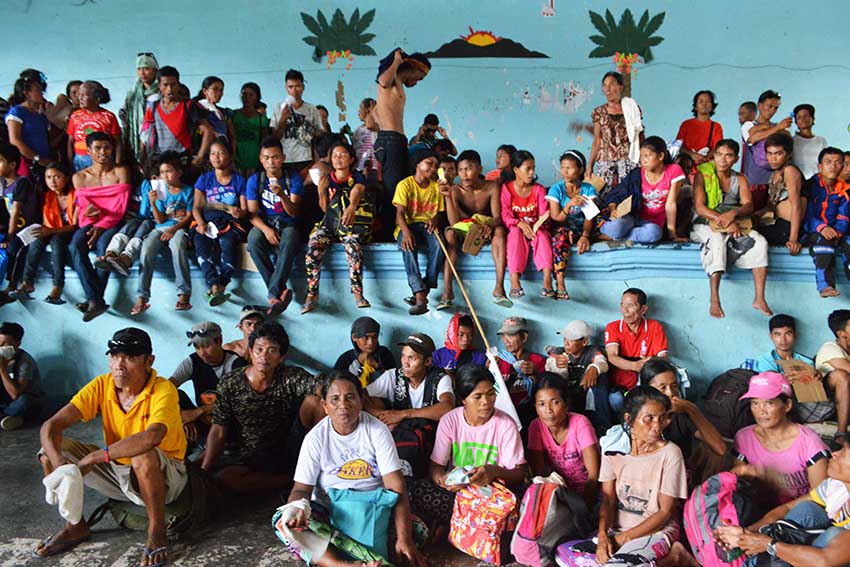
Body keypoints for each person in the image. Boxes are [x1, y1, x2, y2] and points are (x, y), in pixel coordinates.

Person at [34, 328, 186, 567]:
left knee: (142, 454)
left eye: (130, 357)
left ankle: (157, 531)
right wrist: (60, 463)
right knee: (48, 452)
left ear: (149, 361)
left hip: (165, 476)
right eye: (114, 356)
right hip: (117, 470)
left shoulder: (162, 389)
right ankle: (75, 525)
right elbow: (51, 426)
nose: (120, 365)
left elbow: (151, 438)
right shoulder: (102, 385)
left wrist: (95, 457)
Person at [282, 371, 426, 567]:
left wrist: (405, 539)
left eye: (350, 397)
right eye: (335, 399)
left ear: (361, 400)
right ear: (324, 405)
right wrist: (299, 508)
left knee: (417, 530)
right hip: (330, 513)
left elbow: (396, 486)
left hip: (373, 510)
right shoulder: (315, 439)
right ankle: (342, 565)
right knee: (283, 522)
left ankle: (341, 553)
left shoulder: (377, 431)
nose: (343, 405)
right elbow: (301, 489)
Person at [560, 386, 689, 567]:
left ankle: (675, 558)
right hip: (616, 529)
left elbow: (664, 512)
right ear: (629, 419)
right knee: (568, 556)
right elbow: (608, 499)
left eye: (662, 419)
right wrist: (604, 535)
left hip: (655, 531)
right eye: (649, 419)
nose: (657, 426)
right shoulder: (613, 448)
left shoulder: (670, 454)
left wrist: (622, 539)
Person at [202, 322, 320, 493]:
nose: (264, 356)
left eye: (272, 350)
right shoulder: (230, 383)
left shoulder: (291, 376)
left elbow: (324, 388)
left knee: (317, 402)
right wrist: (205, 470)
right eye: (259, 349)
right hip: (249, 456)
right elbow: (219, 429)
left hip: (289, 449)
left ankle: (316, 471)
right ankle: (291, 481)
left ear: (281, 357)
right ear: (250, 352)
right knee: (227, 479)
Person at [715, 438, 850, 565]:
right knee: (807, 510)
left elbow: (824, 561)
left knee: (833, 535)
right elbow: (788, 508)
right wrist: (748, 533)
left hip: (827, 559)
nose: (835, 454)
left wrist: (768, 544)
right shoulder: (836, 486)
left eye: (843, 453)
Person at [424, 364, 528, 524]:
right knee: (420, 492)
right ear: (463, 399)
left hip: (493, 494)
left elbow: (519, 474)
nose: (486, 402)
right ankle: (466, 523)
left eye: (491, 394)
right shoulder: (450, 421)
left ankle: (457, 524)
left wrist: (493, 472)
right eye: (477, 396)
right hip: (459, 492)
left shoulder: (506, 424)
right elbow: (436, 466)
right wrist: (443, 481)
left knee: (523, 499)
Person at [691, 138, 771, 318]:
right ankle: (714, 298)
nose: (723, 159)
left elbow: (748, 205)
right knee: (717, 241)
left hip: (733, 220)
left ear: (736, 158)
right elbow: (700, 207)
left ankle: (759, 298)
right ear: (713, 156)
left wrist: (732, 215)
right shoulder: (703, 175)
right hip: (705, 221)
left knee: (760, 242)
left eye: (728, 156)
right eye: (719, 154)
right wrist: (724, 221)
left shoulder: (740, 178)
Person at [733, 372, 829, 505]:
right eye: (755, 403)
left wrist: (778, 514)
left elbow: (820, 496)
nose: (761, 411)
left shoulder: (809, 442)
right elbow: (735, 484)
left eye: (769, 403)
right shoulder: (744, 437)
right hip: (758, 505)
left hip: (799, 511)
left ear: (787, 405)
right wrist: (744, 472)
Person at [303, 140, 373, 313]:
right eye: (335, 155)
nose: (338, 158)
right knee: (313, 246)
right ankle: (312, 293)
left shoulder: (356, 176)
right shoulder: (326, 179)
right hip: (331, 224)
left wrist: (351, 206)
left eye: (343, 155)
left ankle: (357, 293)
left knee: (352, 246)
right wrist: (321, 191)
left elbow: (357, 190)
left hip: (351, 224)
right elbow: (326, 209)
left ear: (351, 159)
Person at [69, 132, 131, 321]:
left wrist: (102, 226)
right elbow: (86, 210)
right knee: (75, 246)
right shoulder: (79, 177)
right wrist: (93, 221)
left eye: (107, 147)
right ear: (88, 151)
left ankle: (93, 300)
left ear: (112, 149)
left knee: (104, 246)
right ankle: (96, 299)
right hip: (90, 224)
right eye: (97, 148)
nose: (103, 152)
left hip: (115, 221)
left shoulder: (121, 172)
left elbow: (120, 206)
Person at [374, 48, 431, 240]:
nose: (417, 82)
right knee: (393, 190)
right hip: (390, 140)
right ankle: (387, 236)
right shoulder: (389, 80)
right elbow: (381, 82)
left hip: (396, 141)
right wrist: (397, 60)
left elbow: (373, 115)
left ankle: (399, 229)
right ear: (413, 68)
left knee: (401, 188)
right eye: (419, 77)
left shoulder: (398, 84)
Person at [441, 149, 510, 307]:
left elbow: (498, 217)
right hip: (465, 229)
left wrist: (488, 225)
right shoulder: (455, 190)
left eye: (469, 168)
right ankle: (447, 291)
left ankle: (499, 288)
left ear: (479, 169)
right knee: (450, 234)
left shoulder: (491, 187)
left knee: (500, 232)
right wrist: (447, 198)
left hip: (487, 229)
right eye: (461, 170)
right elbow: (454, 222)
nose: (464, 174)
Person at [131, 151, 194, 313]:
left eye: (169, 171)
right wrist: (153, 202)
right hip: (160, 228)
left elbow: (188, 217)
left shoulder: (188, 191)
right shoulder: (160, 191)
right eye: (162, 172)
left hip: (179, 228)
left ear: (179, 172)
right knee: (146, 249)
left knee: (178, 246)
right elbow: (159, 220)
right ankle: (142, 297)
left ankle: (184, 294)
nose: (165, 176)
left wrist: (174, 229)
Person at [246, 137, 302, 314]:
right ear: (261, 159)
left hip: (287, 223)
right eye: (267, 158)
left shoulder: (293, 178)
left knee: (291, 238)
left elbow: (294, 212)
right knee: (253, 240)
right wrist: (266, 230)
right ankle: (279, 290)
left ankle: (273, 294)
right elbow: (252, 214)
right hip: (264, 223)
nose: (271, 162)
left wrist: (282, 196)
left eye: (275, 157)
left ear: (283, 158)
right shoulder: (255, 180)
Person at [171, 322, 247, 445]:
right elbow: (165, 389)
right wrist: (184, 418)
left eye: (206, 346)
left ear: (219, 340)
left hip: (229, 427)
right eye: (197, 347)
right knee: (175, 395)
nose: (202, 353)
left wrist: (198, 412)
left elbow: (238, 402)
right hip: (204, 422)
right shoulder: (192, 362)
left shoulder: (237, 365)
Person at [192, 137, 247, 306]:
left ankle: (220, 284)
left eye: (221, 153)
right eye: (213, 154)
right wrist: (200, 223)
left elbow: (244, 211)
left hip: (230, 225)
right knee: (201, 248)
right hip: (207, 224)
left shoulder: (239, 181)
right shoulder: (204, 179)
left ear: (230, 156)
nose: (216, 157)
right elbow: (196, 207)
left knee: (228, 246)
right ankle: (214, 284)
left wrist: (238, 212)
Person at [528, 372, 600, 500]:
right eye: (541, 404)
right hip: (557, 494)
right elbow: (539, 474)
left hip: (587, 493)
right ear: (535, 407)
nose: (548, 410)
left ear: (566, 404)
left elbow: (593, 477)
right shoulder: (536, 427)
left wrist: (580, 509)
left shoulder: (580, 423)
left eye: (555, 402)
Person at [639, 357, 726, 462]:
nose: (670, 393)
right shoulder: (639, 417)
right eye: (662, 387)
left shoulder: (680, 414)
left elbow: (720, 449)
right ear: (647, 390)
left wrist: (692, 410)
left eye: (674, 386)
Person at [602, 136, 686, 243]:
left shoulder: (673, 170)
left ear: (661, 156)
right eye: (641, 156)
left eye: (647, 156)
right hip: (632, 219)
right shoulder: (637, 174)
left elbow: (670, 204)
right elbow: (617, 194)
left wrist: (672, 235)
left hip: (651, 225)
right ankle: (615, 233)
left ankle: (616, 236)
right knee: (615, 227)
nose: (643, 160)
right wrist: (613, 209)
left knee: (654, 233)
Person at [394, 148, 446, 315]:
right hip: (407, 226)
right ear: (417, 164)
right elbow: (400, 213)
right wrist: (406, 232)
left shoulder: (437, 187)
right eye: (428, 163)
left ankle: (422, 291)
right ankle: (419, 293)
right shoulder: (405, 185)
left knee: (439, 244)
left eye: (435, 165)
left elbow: (439, 212)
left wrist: (435, 219)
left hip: (427, 226)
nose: (432, 168)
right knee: (407, 246)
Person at [17, 162, 76, 304]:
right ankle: (27, 282)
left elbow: (75, 225)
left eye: (57, 177)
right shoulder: (47, 196)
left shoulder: (75, 195)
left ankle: (58, 285)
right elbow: (46, 222)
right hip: (51, 229)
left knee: (57, 242)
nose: (52, 181)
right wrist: (45, 231)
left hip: (70, 232)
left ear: (66, 178)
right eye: (48, 177)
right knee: (36, 240)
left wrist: (50, 230)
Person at [605, 288, 670, 412]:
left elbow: (664, 357)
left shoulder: (654, 326)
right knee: (616, 399)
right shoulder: (613, 327)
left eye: (630, 305)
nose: (625, 310)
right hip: (622, 381)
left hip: (647, 378)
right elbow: (612, 356)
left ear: (643, 309)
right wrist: (635, 366)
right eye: (622, 305)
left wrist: (651, 361)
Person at [501, 149, 554, 298]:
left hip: (536, 227)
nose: (532, 172)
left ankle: (547, 279)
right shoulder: (507, 189)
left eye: (533, 168)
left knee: (542, 236)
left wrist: (535, 226)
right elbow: (505, 215)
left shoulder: (539, 190)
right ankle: (514, 281)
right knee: (515, 235)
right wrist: (519, 224)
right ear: (516, 170)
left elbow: (544, 213)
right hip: (516, 228)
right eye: (528, 168)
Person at [140, 65, 214, 172]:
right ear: (159, 86)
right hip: (160, 162)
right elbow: (144, 135)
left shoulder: (188, 106)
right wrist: (142, 159)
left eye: (173, 84)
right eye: (165, 85)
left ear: (178, 85)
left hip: (183, 163)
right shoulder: (153, 107)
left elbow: (207, 130)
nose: (169, 89)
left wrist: (200, 157)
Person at [547, 149, 598, 300]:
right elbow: (556, 218)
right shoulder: (556, 190)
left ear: (580, 169)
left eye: (569, 167)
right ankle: (560, 282)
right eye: (562, 167)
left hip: (583, 229)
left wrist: (584, 236)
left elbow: (591, 217)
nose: (565, 171)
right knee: (561, 237)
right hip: (562, 227)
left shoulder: (588, 189)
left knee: (610, 227)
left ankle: (580, 237)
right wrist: (568, 206)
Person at [546, 320, 612, 431]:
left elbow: (602, 362)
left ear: (584, 342)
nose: (566, 343)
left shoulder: (592, 351)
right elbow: (550, 370)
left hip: (587, 394)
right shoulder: (559, 353)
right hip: (569, 397)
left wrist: (593, 368)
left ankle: (604, 427)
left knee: (601, 378)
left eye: (571, 340)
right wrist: (559, 368)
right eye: (565, 339)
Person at [802, 147, 850, 297]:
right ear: (819, 166)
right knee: (824, 244)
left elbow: (844, 216)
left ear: (842, 166)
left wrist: (838, 233)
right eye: (828, 162)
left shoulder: (844, 190)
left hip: (835, 233)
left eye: (837, 162)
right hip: (811, 232)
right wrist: (821, 228)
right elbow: (804, 215)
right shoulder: (809, 186)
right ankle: (825, 286)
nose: (833, 166)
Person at [587, 72, 642, 193]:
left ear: (620, 87)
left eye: (612, 84)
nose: (608, 88)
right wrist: (589, 166)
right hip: (605, 160)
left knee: (629, 193)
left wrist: (643, 157)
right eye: (605, 85)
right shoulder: (598, 112)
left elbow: (640, 134)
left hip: (629, 159)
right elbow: (597, 140)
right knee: (604, 194)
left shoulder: (631, 109)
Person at [0, 142, 41, 294]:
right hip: (12, 226)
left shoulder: (21, 182)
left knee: (14, 247)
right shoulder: (3, 183)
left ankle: (11, 285)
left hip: (28, 226)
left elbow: (16, 211)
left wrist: (9, 236)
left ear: (12, 165)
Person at [755, 131, 805, 252]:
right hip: (776, 223)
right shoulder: (774, 175)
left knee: (751, 238)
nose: (773, 158)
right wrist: (751, 217)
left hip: (787, 229)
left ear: (788, 154)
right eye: (769, 153)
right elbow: (770, 207)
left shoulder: (790, 171)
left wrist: (793, 239)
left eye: (778, 154)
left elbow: (796, 206)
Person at [495, 316, 546, 428]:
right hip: (503, 416)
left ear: (524, 337)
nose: (505, 340)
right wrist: (489, 370)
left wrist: (536, 373)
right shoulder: (497, 361)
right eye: (503, 335)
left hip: (529, 415)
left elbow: (547, 392)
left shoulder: (538, 361)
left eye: (511, 335)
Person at [271, 69, 324, 172]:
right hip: (284, 158)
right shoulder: (279, 108)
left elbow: (320, 134)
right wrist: (283, 119)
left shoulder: (311, 109)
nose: (294, 91)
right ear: (286, 88)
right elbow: (275, 138)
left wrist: (308, 127)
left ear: (303, 87)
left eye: (297, 86)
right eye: (290, 87)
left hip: (305, 158)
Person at [741, 90, 792, 190]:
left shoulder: (778, 126)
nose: (772, 110)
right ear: (760, 105)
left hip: (776, 179)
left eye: (775, 108)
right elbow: (752, 139)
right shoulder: (748, 125)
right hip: (754, 182)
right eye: (769, 106)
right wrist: (778, 128)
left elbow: (787, 142)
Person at [5, 71, 51, 180]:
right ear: (27, 94)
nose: (42, 93)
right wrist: (37, 159)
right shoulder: (17, 112)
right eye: (37, 90)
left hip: (44, 164)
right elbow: (15, 140)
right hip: (27, 164)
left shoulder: (40, 116)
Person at [66, 81, 121, 171]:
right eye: (79, 94)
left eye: (84, 95)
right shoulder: (75, 116)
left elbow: (118, 143)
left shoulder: (108, 116)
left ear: (97, 99)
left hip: (103, 162)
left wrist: (117, 164)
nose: (80, 98)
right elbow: (70, 142)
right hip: (79, 162)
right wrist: (71, 165)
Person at [815, 309, 850, 443]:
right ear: (842, 334)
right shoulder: (829, 347)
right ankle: (841, 433)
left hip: (845, 402)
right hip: (823, 403)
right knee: (841, 376)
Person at [0, 322, 43, 430]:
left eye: (4, 344)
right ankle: (13, 419)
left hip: (24, 401)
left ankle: (10, 417)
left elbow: (15, 394)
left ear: (17, 343)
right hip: (5, 402)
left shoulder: (25, 361)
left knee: (24, 401)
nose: (0, 347)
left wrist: (2, 369)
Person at [334, 317, 397, 387]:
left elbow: (393, 383)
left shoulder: (384, 354)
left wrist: (377, 367)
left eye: (374, 337)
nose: (370, 342)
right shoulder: (345, 359)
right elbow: (337, 385)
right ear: (354, 337)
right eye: (365, 338)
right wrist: (358, 363)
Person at [121, 53, 160, 169]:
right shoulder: (133, 92)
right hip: (135, 136)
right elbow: (125, 112)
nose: (142, 73)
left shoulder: (162, 90)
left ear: (155, 70)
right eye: (139, 69)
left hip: (156, 137)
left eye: (146, 69)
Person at [675, 90, 724, 167]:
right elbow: (678, 146)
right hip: (686, 166)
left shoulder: (716, 126)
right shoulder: (686, 124)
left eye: (708, 101)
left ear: (712, 107)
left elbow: (717, 148)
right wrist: (692, 155)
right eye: (701, 101)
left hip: (706, 167)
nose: (704, 104)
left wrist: (704, 158)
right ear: (695, 107)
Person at [232, 82, 269, 176]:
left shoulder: (261, 118)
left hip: (255, 162)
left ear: (257, 97)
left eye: (251, 95)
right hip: (235, 161)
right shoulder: (233, 115)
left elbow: (265, 141)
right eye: (244, 94)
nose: (247, 97)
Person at [194, 76, 236, 149]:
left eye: (221, 90)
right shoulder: (196, 108)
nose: (219, 93)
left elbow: (232, 136)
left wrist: (232, 154)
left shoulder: (224, 113)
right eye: (215, 89)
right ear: (205, 91)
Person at [791, 103, 828, 179]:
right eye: (799, 117)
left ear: (813, 118)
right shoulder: (791, 140)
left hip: (818, 181)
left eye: (806, 116)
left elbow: (826, 161)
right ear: (796, 121)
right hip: (798, 181)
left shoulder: (821, 140)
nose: (803, 119)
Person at [352, 97, 377, 177]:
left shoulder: (377, 126)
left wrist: (372, 112)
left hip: (372, 168)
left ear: (368, 110)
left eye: (360, 107)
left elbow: (370, 126)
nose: (358, 111)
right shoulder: (358, 129)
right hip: (357, 168)